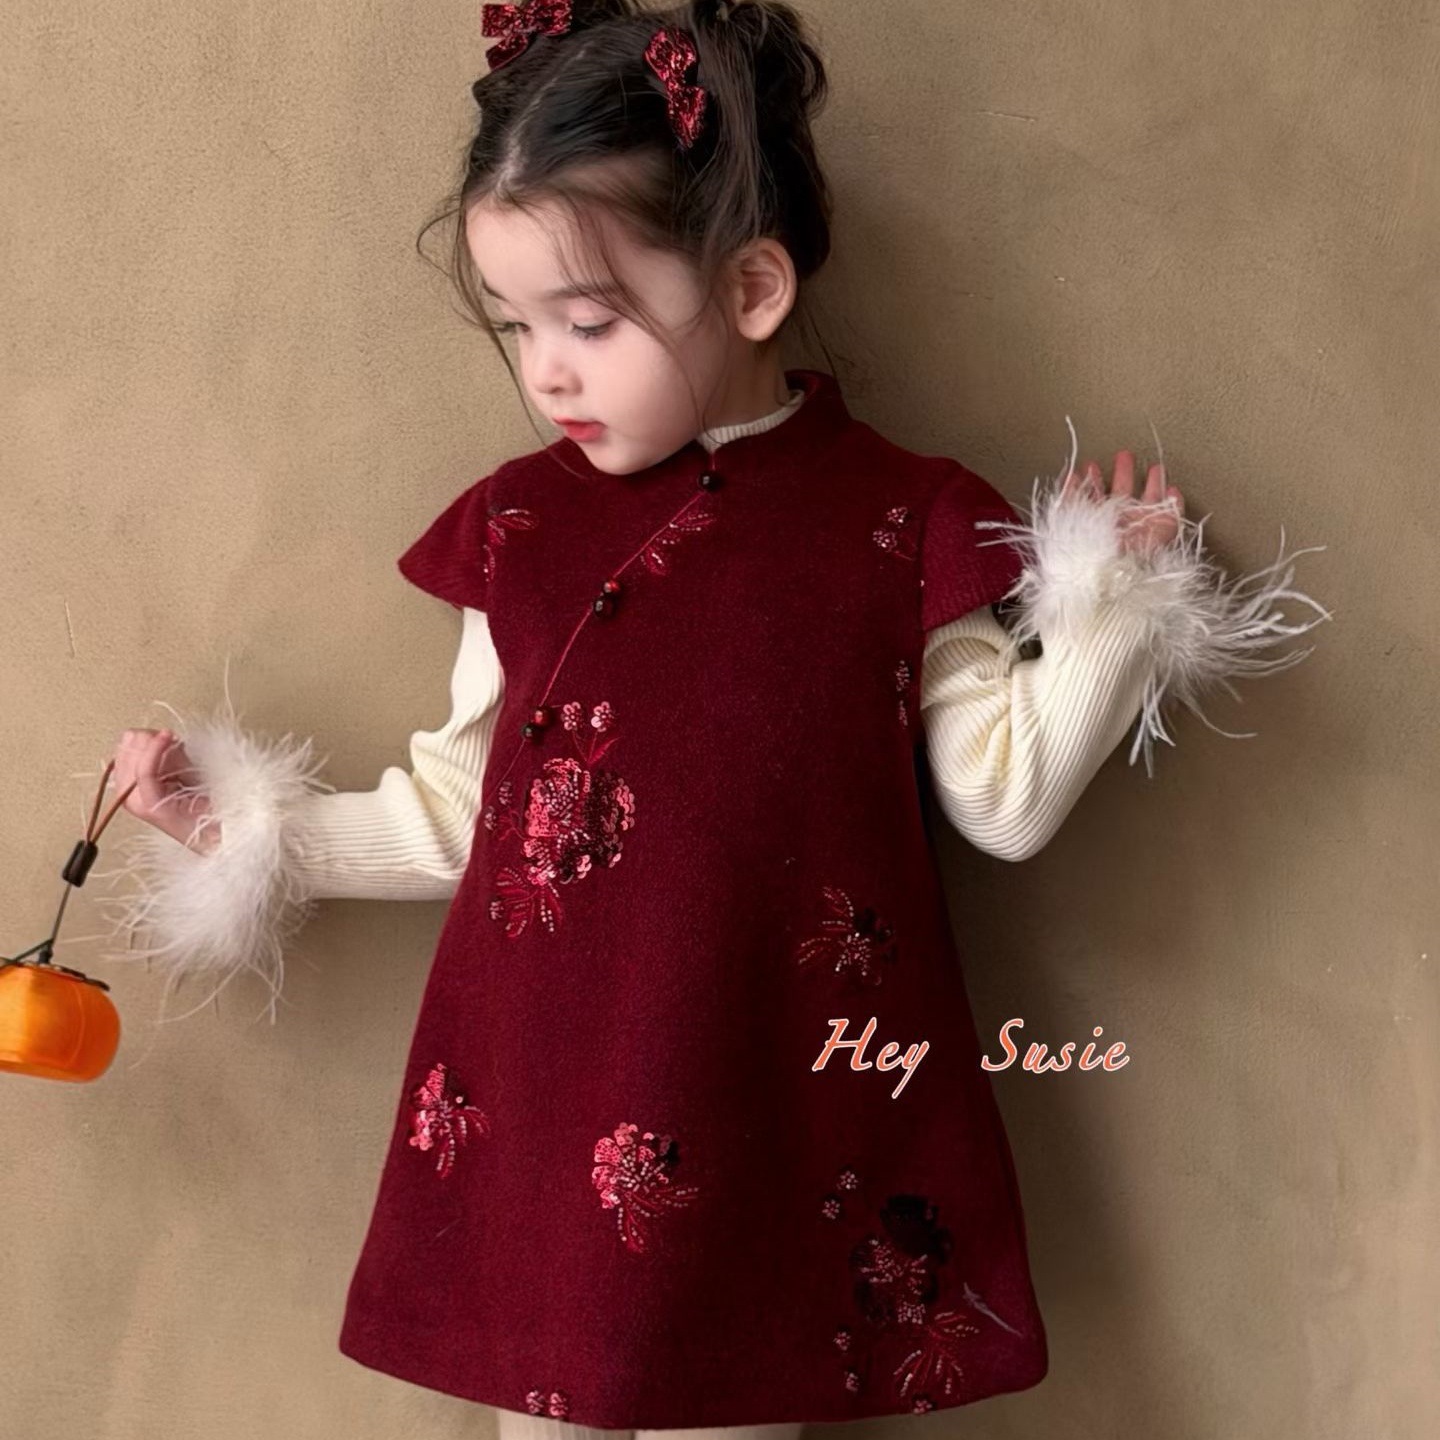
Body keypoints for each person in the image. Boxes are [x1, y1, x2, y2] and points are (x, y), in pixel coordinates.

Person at [94, 1, 1330, 1434]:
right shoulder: (518, 530)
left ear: (751, 287)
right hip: (549, 1116)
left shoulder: (897, 519)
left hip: (766, 1118)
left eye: (589, 321)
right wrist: (244, 827)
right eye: (517, 326)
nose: (547, 370)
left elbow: (1001, 799)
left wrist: (1113, 602)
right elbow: (458, 813)